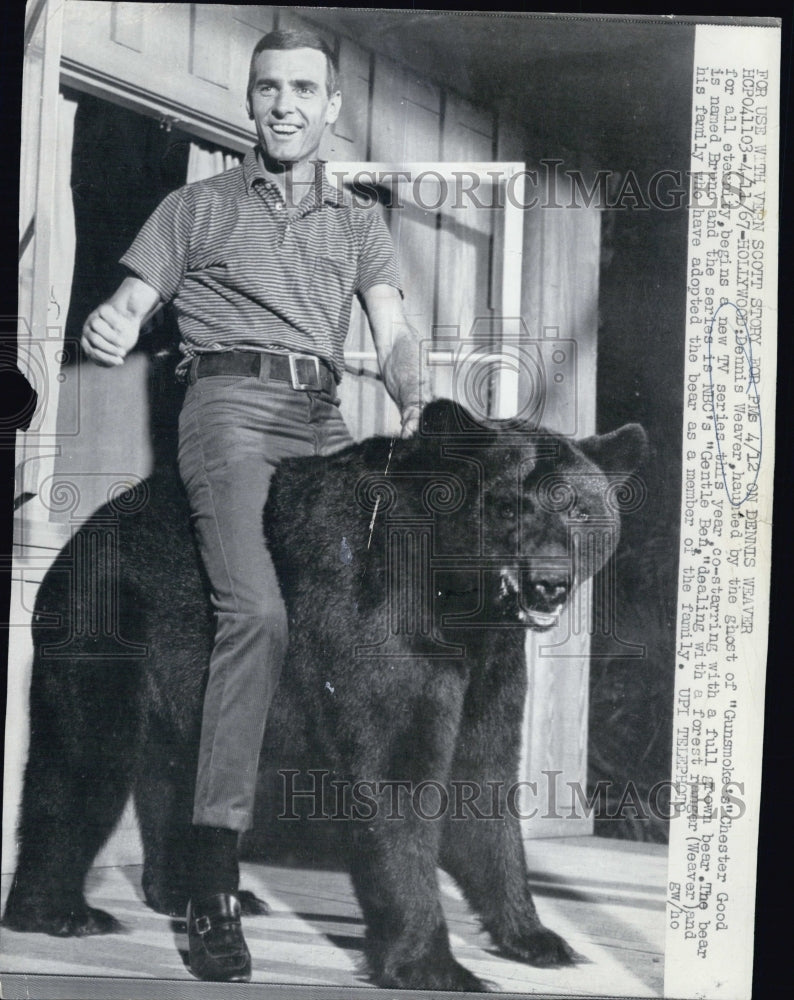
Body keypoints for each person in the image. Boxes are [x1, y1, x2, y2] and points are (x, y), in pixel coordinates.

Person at [81, 28, 426, 983]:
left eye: (304, 89)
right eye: (268, 87)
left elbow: (393, 330)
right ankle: (211, 873)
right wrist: (114, 320)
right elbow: (130, 298)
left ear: (331, 110)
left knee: (377, 619)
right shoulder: (193, 208)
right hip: (227, 406)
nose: (285, 104)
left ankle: (387, 865)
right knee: (260, 614)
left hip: (323, 413)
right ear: (249, 100)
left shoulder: (359, 222)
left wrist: (413, 396)